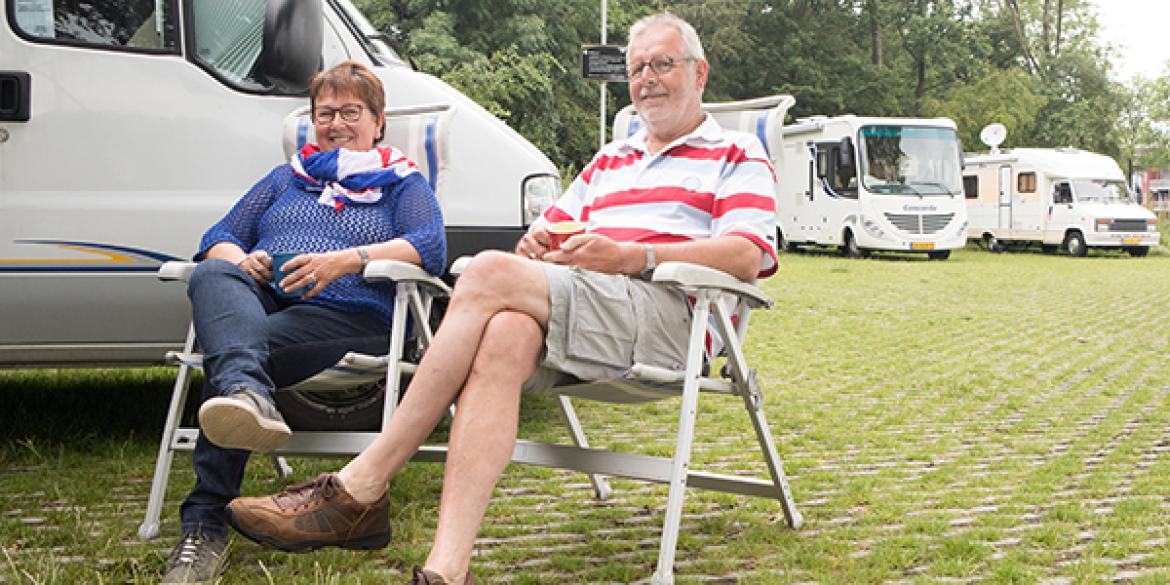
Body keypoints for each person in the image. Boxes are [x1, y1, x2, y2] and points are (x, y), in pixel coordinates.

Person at [225, 14, 777, 585]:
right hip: (593, 309)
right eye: (638, 68)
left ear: (699, 73)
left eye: (663, 64)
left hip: (672, 316)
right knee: (506, 330)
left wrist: (635, 257)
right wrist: (538, 242)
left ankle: (362, 485)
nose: (648, 79)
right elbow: (543, 238)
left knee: (487, 271)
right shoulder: (611, 159)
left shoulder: (736, 154)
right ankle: (447, 570)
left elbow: (747, 255)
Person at [161, 60, 446, 584]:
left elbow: (429, 246)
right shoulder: (286, 178)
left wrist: (347, 259)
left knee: (238, 351)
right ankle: (247, 394)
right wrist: (242, 259)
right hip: (267, 303)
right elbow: (220, 235)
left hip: (353, 316)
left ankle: (204, 523)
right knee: (212, 275)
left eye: (350, 112)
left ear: (378, 121)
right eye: (324, 113)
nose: (336, 123)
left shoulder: (403, 184)